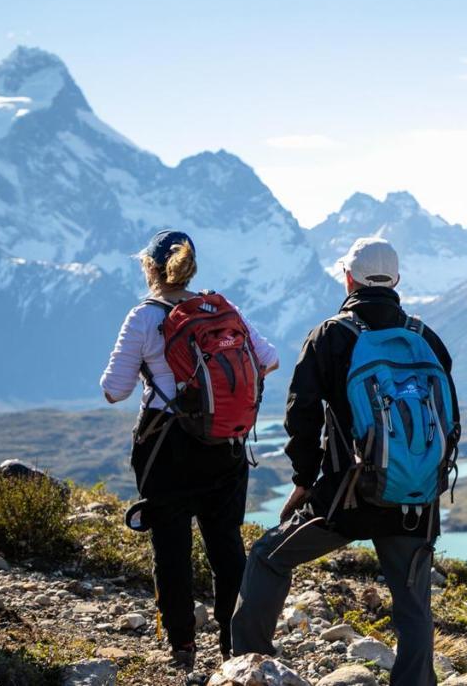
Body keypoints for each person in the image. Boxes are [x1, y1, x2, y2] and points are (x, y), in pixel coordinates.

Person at [231, 237, 458, 685]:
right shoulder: (424, 337)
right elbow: (446, 418)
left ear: (348, 277)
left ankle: (248, 670)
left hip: (346, 498)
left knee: (267, 558)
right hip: (413, 499)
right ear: (396, 280)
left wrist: (303, 477)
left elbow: (302, 414)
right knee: (413, 606)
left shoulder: (330, 335)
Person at [101, 229, 279, 669]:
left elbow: (114, 391)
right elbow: (269, 359)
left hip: (167, 446)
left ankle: (182, 649)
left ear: (149, 267)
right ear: (190, 267)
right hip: (225, 445)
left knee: (172, 549)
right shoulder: (222, 308)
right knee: (227, 548)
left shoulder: (143, 317)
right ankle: (233, 646)